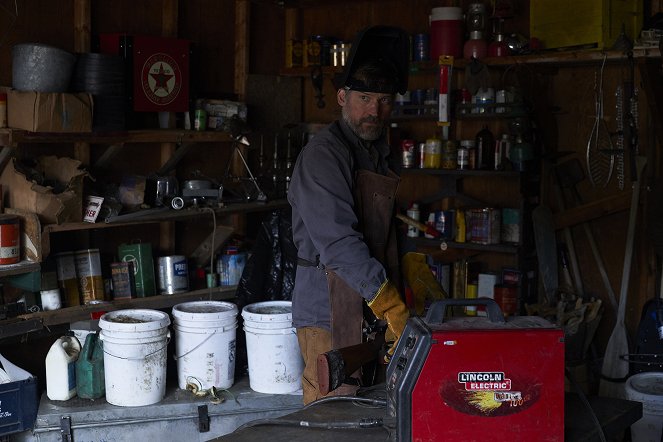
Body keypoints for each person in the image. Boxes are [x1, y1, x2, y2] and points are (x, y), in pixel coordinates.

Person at [287, 26, 411, 405]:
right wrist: (389, 300)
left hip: (370, 308)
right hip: (329, 312)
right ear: (342, 97)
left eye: (384, 100)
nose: (375, 110)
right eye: (364, 98)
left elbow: (386, 231)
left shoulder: (377, 153)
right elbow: (339, 244)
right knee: (333, 420)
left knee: (374, 415)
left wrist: (411, 270)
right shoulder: (325, 155)